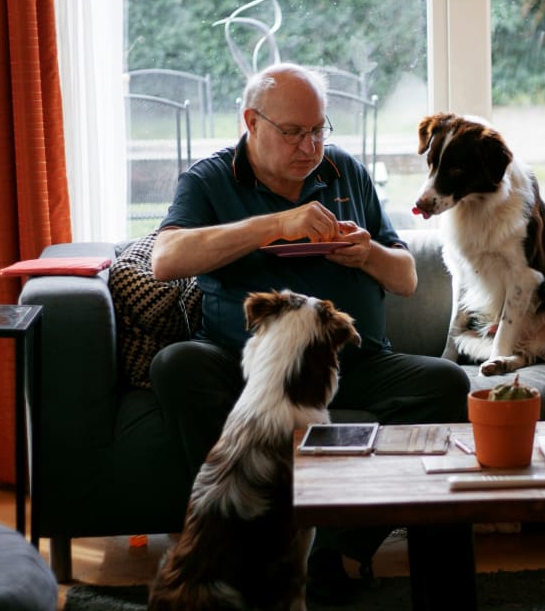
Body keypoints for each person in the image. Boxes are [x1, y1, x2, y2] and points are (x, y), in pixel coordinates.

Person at [149, 62, 470, 602]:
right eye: (294, 132)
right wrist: (276, 225)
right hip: (248, 369)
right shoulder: (209, 180)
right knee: (176, 365)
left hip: (351, 362)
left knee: (444, 384)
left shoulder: (347, 172)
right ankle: (232, 538)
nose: (310, 146)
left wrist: (366, 253)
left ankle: (334, 550)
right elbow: (165, 259)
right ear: (251, 122)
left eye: (319, 130)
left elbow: (407, 277)